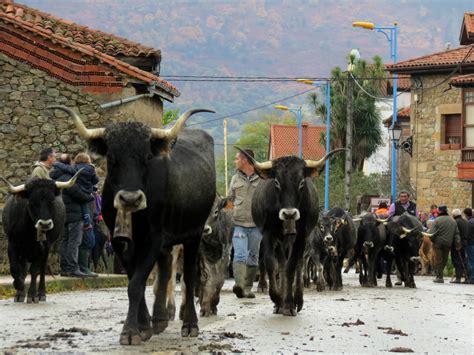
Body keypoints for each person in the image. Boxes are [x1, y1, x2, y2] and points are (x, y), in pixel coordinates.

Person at [52, 153, 99, 277]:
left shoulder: (56, 176)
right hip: (75, 214)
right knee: (74, 241)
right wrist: (89, 197)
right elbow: (77, 193)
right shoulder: (68, 177)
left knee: (65, 240)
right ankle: (72, 268)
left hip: (63, 213)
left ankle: (65, 267)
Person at [227, 148, 261, 298]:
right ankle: (239, 285)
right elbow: (229, 200)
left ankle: (247, 288)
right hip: (239, 224)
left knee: (253, 256)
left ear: (245, 160)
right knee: (240, 254)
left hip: (256, 226)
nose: (235, 161)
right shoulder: (235, 178)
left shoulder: (262, 179)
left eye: (237, 159)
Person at [428, 204, 461, 283]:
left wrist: (433, 241)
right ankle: (439, 275)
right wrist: (457, 244)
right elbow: (456, 234)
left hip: (438, 243)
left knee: (438, 260)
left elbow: (431, 234)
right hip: (448, 243)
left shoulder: (437, 220)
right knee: (444, 260)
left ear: (439, 211)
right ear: (446, 211)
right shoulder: (453, 221)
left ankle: (439, 277)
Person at [451, 208, 468, 283]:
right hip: (464, 243)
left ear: (454, 215)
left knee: (456, 260)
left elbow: (454, 234)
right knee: (463, 260)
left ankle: (458, 278)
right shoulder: (464, 221)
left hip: (457, 244)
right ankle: (466, 277)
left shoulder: (455, 222)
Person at [464, 208, 474, 284]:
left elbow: (466, 235)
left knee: (471, 261)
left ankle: (472, 278)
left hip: (470, 244)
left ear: (466, 215)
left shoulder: (468, 223)